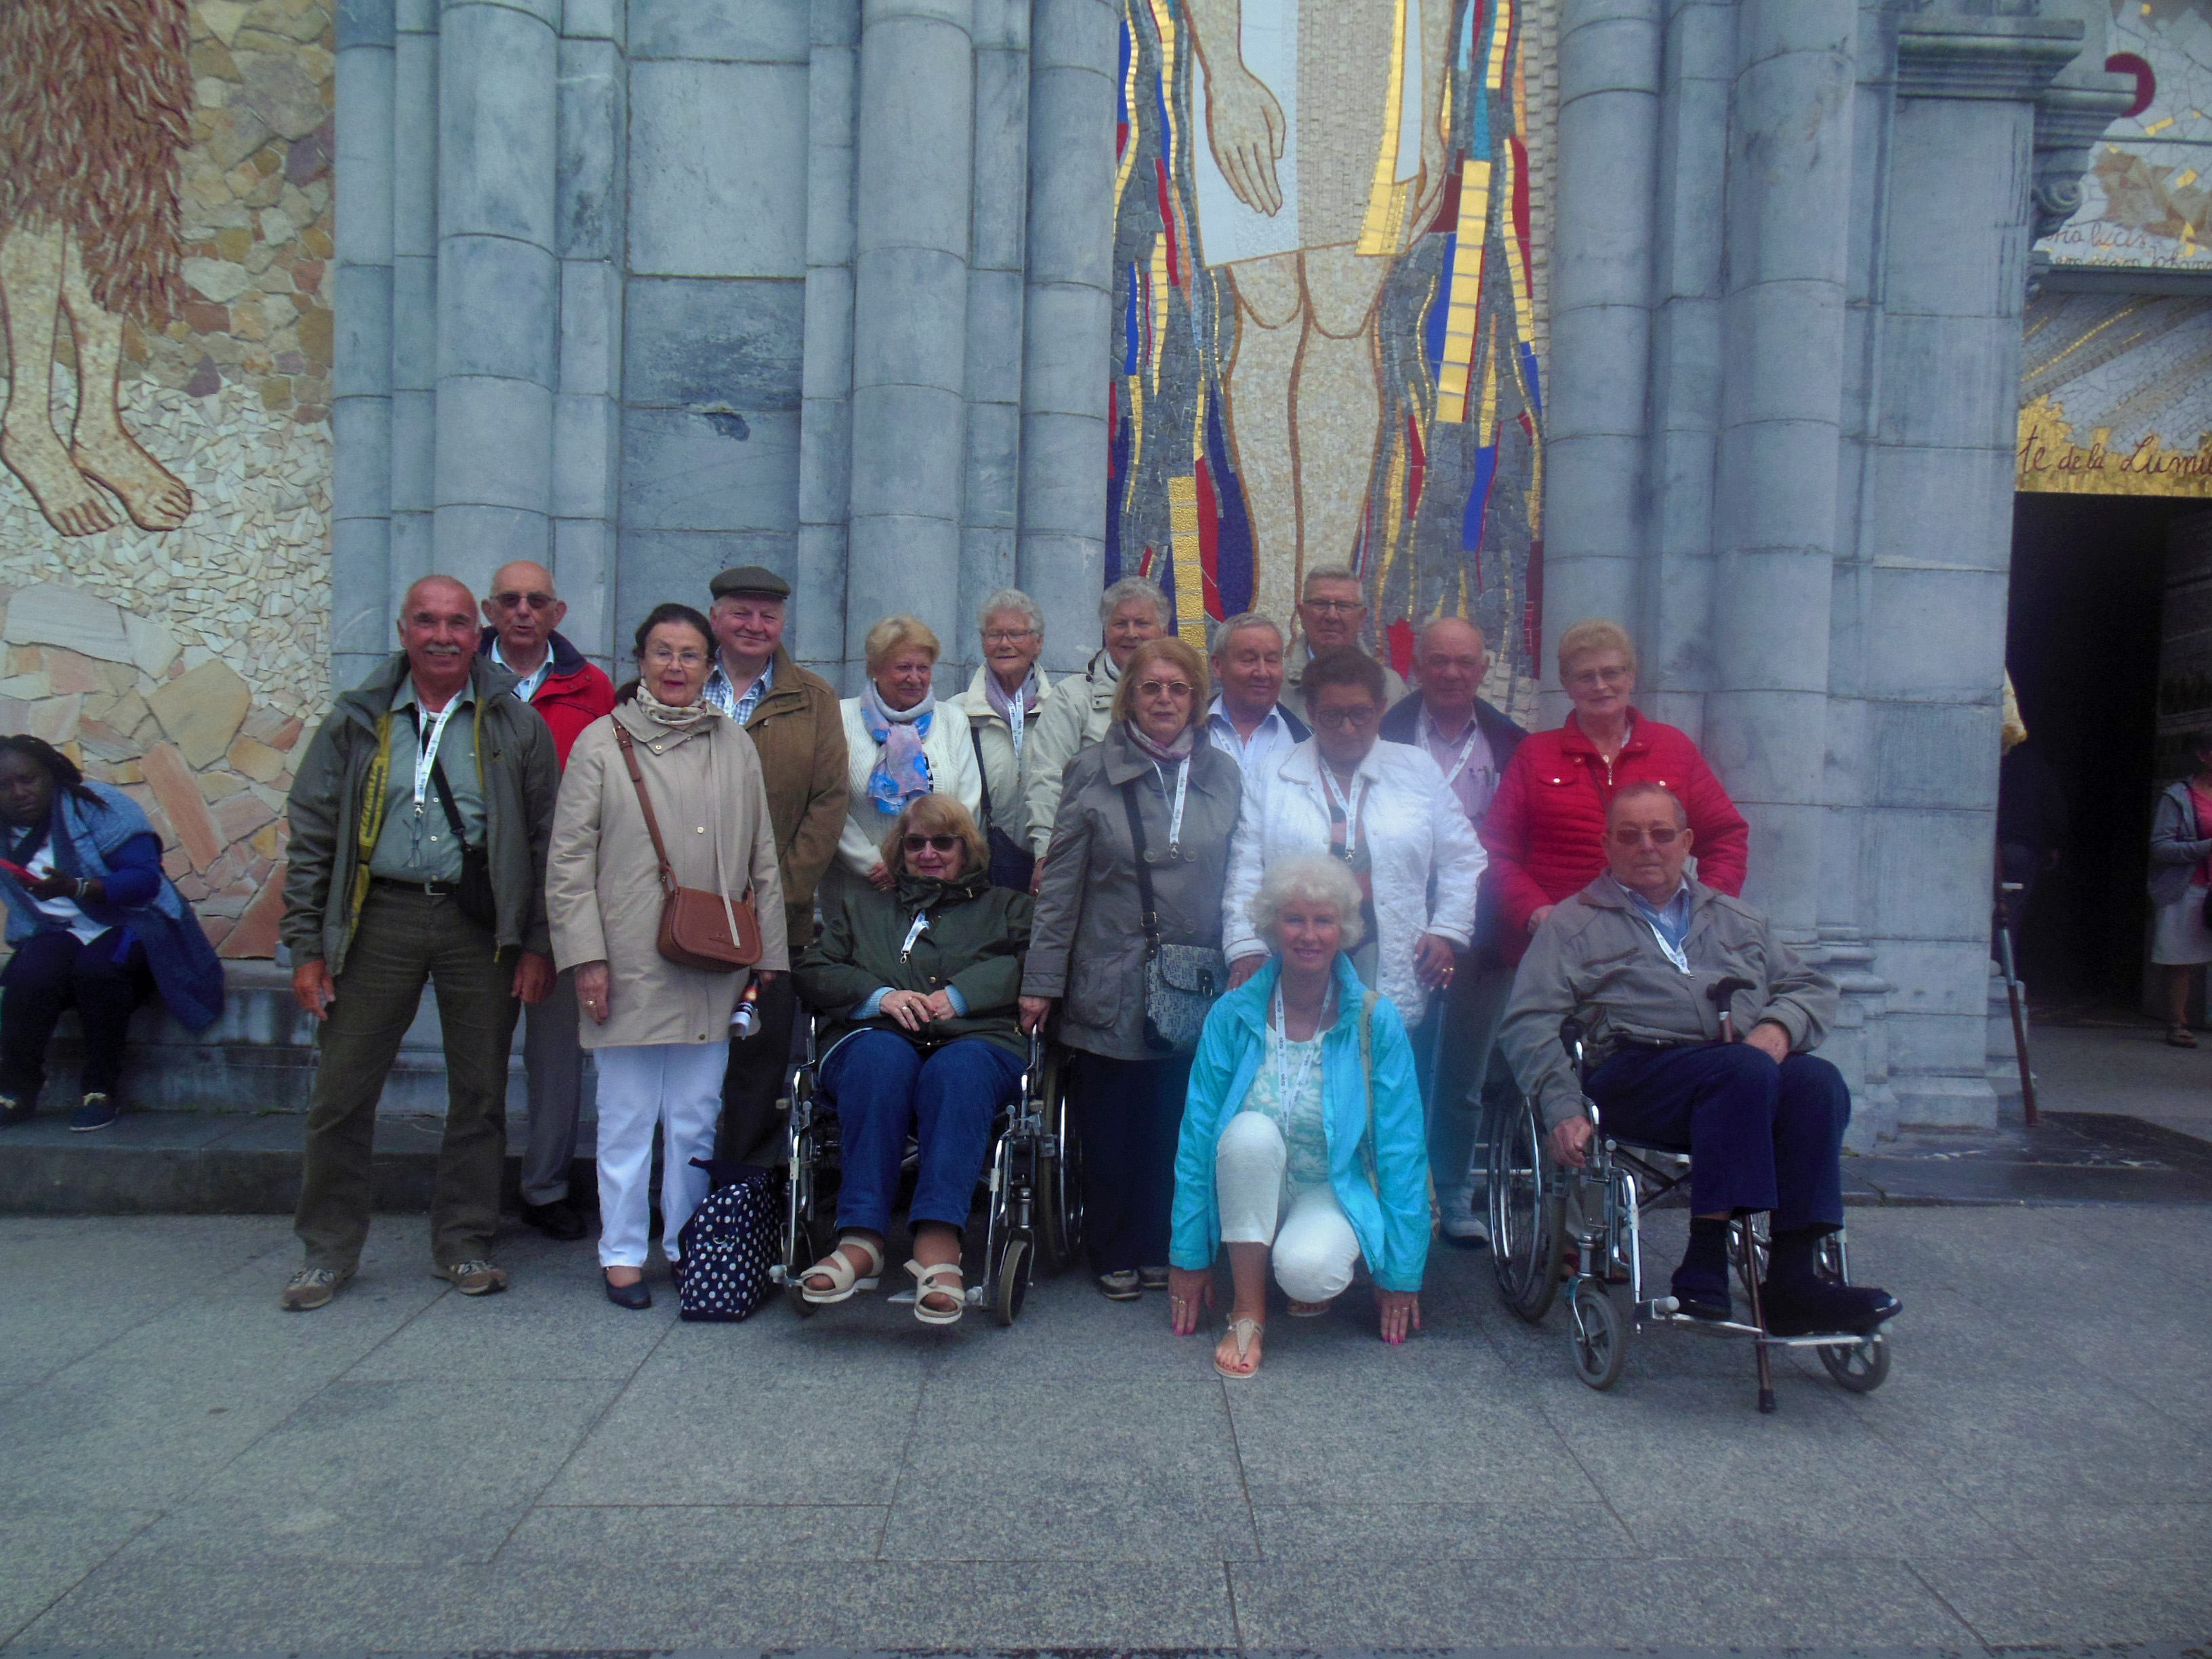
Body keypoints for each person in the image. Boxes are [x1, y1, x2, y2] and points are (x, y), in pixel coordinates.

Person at [1498, 781, 1900, 1336]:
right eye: (1630, 835)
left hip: (1739, 1074)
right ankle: (1705, 1260)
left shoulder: (1737, 919)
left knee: (1816, 1081)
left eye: (1662, 834)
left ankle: (1792, 1279)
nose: (1648, 847)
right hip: (1635, 1077)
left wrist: (1779, 1030)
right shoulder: (1572, 924)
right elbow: (1528, 1021)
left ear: (1686, 842)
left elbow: (1810, 986)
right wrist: (1561, 1107)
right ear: (1607, 845)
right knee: (1744, 1071)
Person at [279, 575, 559, 1311]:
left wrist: (537, 943)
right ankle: (328, 1249)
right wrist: (307, 946)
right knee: (341, 1091)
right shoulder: (357, 719)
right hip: (380, 919)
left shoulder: (513, 723)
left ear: (481, 632)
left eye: (458, 623)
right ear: (403, 630)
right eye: (427, 622)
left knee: (481, 1091)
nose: (443, 636)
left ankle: (464, 1241)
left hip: (479, 925)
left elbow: (544, 842)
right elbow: (311, 834)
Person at [547, 603, 789, 1310]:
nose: (677, 667)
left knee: (694, 1113)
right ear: (641, 660)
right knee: (625, 1117)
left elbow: (762, 855)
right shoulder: (601, 743)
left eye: (690, 655)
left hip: (713, 959)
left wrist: (767, 951)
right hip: (627, 959)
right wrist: (586, 958)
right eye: (663, 653)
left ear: (709, 665)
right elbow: (568, 863)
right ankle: (622, 1252)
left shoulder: (733, 744)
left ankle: (686, 1243)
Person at [1021, 636, 1243, 1299]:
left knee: (1175, 1122)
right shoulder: (1091, 770)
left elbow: (1241, 874)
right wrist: (1041, 982)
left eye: (1179, 689)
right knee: (1113, 1124)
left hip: (1192, 979)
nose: (1165, 700)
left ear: (1199, 702)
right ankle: (1111, 1245)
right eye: (1152, 688)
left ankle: (1159, 1241)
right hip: (1110, 976)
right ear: (1130, 697)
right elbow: (1060, 887)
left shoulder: (1224, 774)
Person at [1167, 855, 1429, 1378]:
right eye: (1295, 919)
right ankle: (1248, 1311)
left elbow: (1402, 1147)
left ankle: (1291, 1260)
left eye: (1324, 920)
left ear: (1345, 930)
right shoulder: (1233, 1015)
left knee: (1309, 1273)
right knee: (1247, 1135)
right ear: (1271, 926)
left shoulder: (1376, 1020)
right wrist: (1187, 1256)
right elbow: (1197, 1138)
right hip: (1249, 1176)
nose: (1309, 935)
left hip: (1328, 1185)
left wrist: (1402, 1272)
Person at [793, 794, 1033, 1324]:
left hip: (976, 1037)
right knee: (881, 1061)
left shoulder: (1008, 908)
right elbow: (814, 970)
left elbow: (1040, 963)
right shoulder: (864, 908)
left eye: (943, 842)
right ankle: (861, 1239)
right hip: (876, 1036)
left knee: (958, 1070)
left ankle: (938, 1240)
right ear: (900, 851)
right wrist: (880, 996)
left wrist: (964, 993)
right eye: (916, 842)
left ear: (966, 849)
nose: (928, 853)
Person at [1223, 649, 1482, 1047]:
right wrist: (1245, 946)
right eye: (1331, 716)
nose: (1347, 729)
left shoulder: (1416, 770)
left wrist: (1447, 929)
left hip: (1390, 944)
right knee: (1302, 1061)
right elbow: (1245, 867)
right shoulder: (1273, 772)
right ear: (1310, 711)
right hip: (1296, 945)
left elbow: (1463, 858)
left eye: (1360, 714)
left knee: (1379, 1067)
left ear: (1381, 709)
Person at [475, 559, 617, 1242]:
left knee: (556, 1055)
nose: (523, 611)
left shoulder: (590, 689)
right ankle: (470, 1195)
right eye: (510, 600)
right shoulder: (460, 682)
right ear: (490, 610)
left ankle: (545, 1186)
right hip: (476, 899)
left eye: (537, 601)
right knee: (477, 1051)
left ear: (557, 613)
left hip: (562, 897)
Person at [1481, 617, 1748, 971]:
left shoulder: (1673, 749)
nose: (1600, 685)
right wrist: (1535, 912)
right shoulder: (1535, 755)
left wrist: (1703, 910)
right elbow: (1494, 851)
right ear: (1566, 684)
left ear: (1631, 677)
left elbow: (1726, 838)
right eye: (1585, 676)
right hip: (1558, 952)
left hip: (1655, 954)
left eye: (1611, 673)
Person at [1377, 616, 1525, 1244]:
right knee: (1393, 1061)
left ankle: (1456, 1191)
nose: (1451, 673)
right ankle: (1393, 1187)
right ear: (1417, 667)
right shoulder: (1382, 729)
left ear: (1483, 668)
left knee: (1462, 1071)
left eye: (1464, 662)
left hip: (1478, 931)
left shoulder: (1511, 742)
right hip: (1393, 922)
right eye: (1438, 661)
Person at [701, 565, 848, 1161]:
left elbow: (828, 803)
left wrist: (775, 895)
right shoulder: (673, 684)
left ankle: (735, 1213)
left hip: (772, 925)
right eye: (741, 612)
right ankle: (678, 1207)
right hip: (678, 916)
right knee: (680, 1068)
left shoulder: (813, 700)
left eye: (768, 615)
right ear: (715, 617)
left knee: (755, 1071)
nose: (754, 625)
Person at [0, 735, 223, 1130]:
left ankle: (100, 1090)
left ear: (50, 774)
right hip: (60, 929)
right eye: (3, 785)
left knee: (98, 969)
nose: (18, 793)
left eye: (27, 779)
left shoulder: (97, 805)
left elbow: (144, 880)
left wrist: (77, 888)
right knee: (26, 976)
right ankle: (17, 1091)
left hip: (134, 922)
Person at [1021, 575, 1170, 866]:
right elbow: (1048, 779)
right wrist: (1046, 856)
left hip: (1165, 863)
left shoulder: (1182, 698)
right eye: (1120, 624)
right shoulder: (1072, 698)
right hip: (1089, 861)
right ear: (1105, 631)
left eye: (1142, 623)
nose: (1131, 633)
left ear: (1164, 630)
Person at [836, 615, 982, 893]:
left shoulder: (953, 720)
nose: (914, 678)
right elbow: (829, 804)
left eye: (923, 668)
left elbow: (968, 803)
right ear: (875, 669)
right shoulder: (841, 718)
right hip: (861, 886)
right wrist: (871, 864)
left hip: (937, 884)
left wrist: (935, 859)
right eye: (903, 667)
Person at [955, 588, 1054, 890]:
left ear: (1038, 643)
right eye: (994, 634)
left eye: (1016, 634)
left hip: (1046, 873)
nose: (1004, 644)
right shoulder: (956, 713)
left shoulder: (1061, 712)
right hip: (972, 874)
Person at [2148, 728, 2212, 1048]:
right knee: (2181, 959)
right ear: (2203, 756)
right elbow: (2161, 848)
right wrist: (2205, 847)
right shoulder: (2178, 797)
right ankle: (2178, 1021)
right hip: (2189, 886)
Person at [1278, 566, 1408, 723]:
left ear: (1361, 618)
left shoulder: (1391, 687)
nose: (1332, 616)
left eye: (1343, 606)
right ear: (1302, 613)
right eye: (1320, 604)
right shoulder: (1275, 681)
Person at [1206, 611, 1309, 778]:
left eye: (1271, 660)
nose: (1262, 673)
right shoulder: (1188, 731)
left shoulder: (1305, 738)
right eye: (1248, 659)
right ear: (1218, 666)